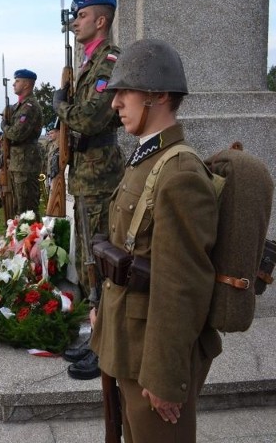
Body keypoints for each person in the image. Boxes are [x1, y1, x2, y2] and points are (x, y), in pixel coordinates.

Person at [90, 39, 220, 442]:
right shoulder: (146, 160)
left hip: (152, 361)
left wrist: (165, 377)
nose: (115, 104)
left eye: (124, 92)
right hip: (128, 345)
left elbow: (182, 285)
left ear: (158, 95)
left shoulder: (178, 171)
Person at [52, 0, 125, 380]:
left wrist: (60, 105)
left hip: (100, 175)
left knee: (100, 259)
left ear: (101, 20)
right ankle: (97, 333)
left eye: (81, 15)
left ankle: (106, 345)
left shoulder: (107, 61)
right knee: (88, 260)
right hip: (85, 175)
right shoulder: (86, 63)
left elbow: (90, 118)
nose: (74, 21)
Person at [0, 69, 43, 219]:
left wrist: (4, 126)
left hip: (26, 163)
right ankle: (21, 240)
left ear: (26, 84)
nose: (13, 84)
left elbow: (16, 134)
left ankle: (32, 240)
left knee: (27, 210)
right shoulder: (19, 106)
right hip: (18, 162)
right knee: (19, 206)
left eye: (17, 81)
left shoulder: (29, 106)